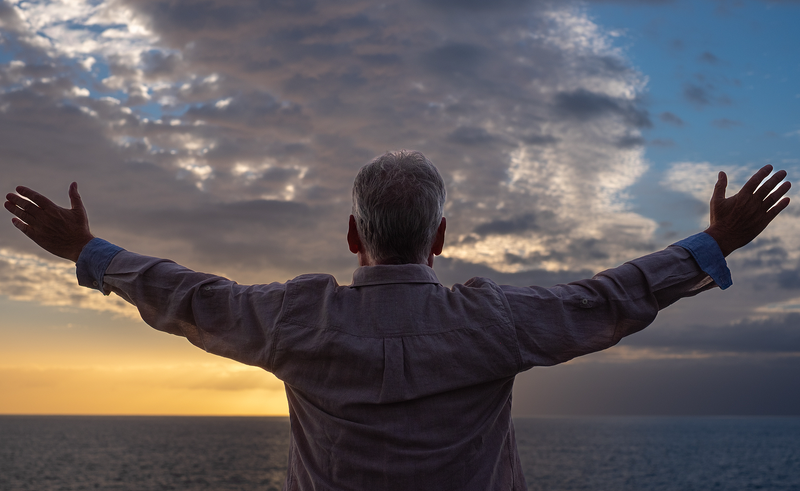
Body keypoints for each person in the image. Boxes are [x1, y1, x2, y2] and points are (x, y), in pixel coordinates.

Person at [4, 151, 791, 490]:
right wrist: (714, 242)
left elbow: (187, 295)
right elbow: (607, 299)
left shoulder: (295, 319)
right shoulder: (493, 321)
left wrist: (87, 250)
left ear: (354, 236)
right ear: (441, 238)